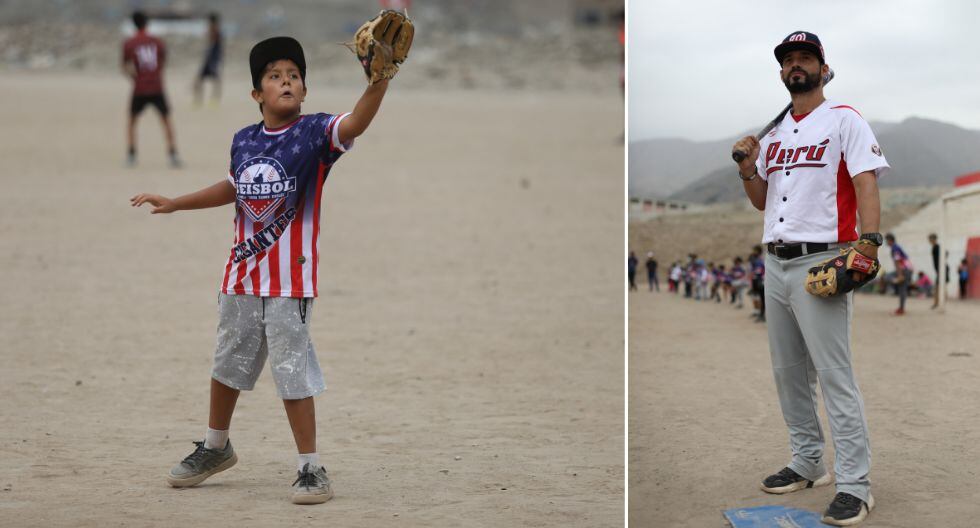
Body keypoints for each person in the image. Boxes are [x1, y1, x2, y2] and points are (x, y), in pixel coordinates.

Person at [131, 34, 396, 504]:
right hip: (240, 274)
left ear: (305, 90)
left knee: (292, 371)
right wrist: (176, 202)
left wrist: (379, 80)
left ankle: (311, 468)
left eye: (294, 76)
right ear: (257, 94)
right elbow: (232, 188)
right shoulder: (244, 139)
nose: (286, 82)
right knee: (226, 363)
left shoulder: (315, 133)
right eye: (275, 77)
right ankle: (215, 446)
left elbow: (357, 122)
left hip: (291, 280)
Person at [731, 31, 887, 525]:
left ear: (823, 68)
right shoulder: (773, 136)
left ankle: (856, 486)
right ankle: (807, 462)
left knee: (835, 375)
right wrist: (748, 168)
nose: (796, 65)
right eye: (789, 60)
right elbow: (761, 200)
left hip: (822, 260)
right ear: (781, 72)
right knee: (788, 373)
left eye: (805, 58)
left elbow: (865, 180)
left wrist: (870, 240)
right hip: (775, 261)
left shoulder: (844, 120)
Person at [122, 10, 181, 167]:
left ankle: (131, 154)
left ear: (133, 24)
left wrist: (135, 78)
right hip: (156, 86)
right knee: (166, 120)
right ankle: (173, 153)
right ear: (147, 23)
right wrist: (155, 74)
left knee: (132, 121)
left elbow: (125, 66)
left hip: (139, 88)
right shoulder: (157, 41)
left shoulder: (129, 43)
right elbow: (163, 60)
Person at [194, 12, 224, 106]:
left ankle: (209, 101)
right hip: (212, 60)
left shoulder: (215, 31)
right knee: (212, 81)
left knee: (213, 81)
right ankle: (204, 101)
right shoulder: (215, 31)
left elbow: (212, 47)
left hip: (211, 60)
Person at [885, 233, 912, 315]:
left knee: (888, 277)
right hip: (907, 269)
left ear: (890, 240)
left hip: (904, 270)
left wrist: (900, 275)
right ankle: (901, 308)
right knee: (902, 289)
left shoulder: (895, 248)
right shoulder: (896, 247)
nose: (886, 242)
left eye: (886, 240)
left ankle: (901, 309)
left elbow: (897, 260)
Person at [749, 245, 766, 322]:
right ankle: (758, 312)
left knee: (761, 298)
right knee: (755, 296)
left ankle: (762, 315)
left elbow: (759, 271)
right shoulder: (754, 260)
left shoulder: (760, 260)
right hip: (755, 281)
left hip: (760, 281)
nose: (753, 252)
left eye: (755, 250)